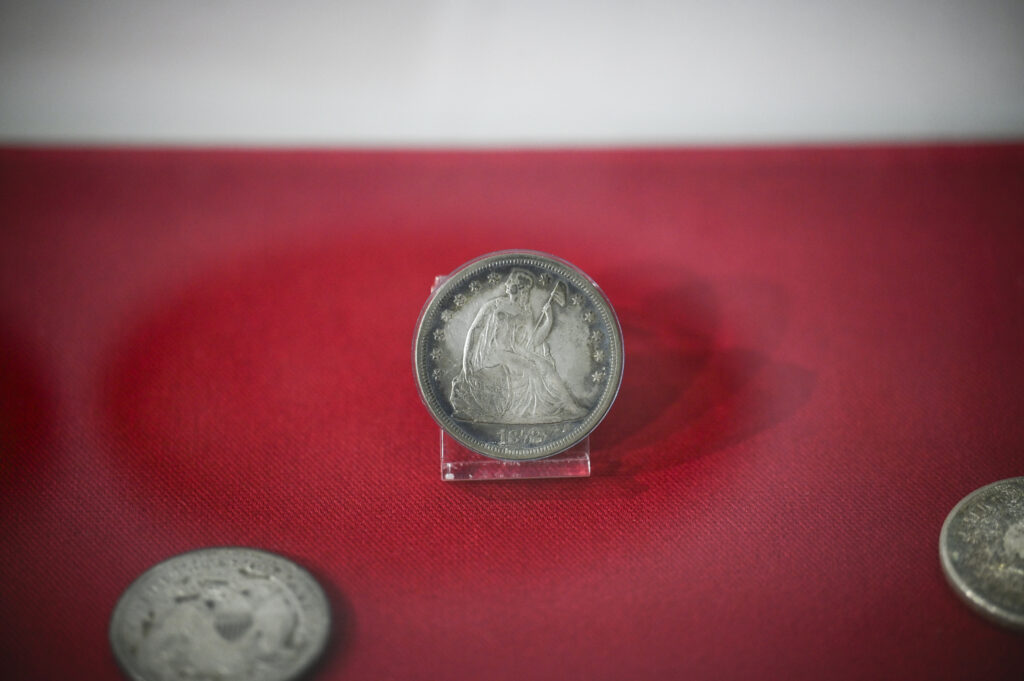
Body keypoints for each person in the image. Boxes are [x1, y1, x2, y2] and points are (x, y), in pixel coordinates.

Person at [450, 268, 586, 423]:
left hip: (512, 352)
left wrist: (549, 319)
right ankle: (535, 412)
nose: (509, 287)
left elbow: (534, 340)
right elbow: (473, 331)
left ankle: (570, 406)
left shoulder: (525, 312)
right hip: (491, 353)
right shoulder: (493, 306)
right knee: (531, 370)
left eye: (515, 285)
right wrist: (466, 362)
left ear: (522, 289)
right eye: (510, 284)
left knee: (545, 365)